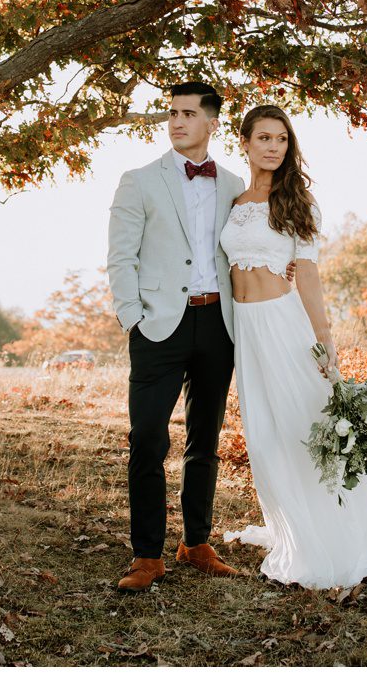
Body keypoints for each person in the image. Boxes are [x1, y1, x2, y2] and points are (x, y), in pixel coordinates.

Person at [219, 104, 367, 589]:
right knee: (265, 436)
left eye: (281, 138)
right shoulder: (233, 202)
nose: (273, 146)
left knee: (306, 429)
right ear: (246, 142)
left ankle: (340, 541)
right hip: (246, 330)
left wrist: (325, 340)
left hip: (284, 325)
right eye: (263, 137)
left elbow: (310, 276)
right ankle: (296, 529)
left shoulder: (299, 202)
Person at [106, 80, 245, 592]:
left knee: (204, 439)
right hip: (158, 325)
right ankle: (147, 556)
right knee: (146, 437)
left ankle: (195, 542)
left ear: (212, 123)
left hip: (218, 325)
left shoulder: (234, 184)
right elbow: (121, 254)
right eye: (172, 113)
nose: (176, 122)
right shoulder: (139, 180)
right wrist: (132, 316)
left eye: (188, 113)